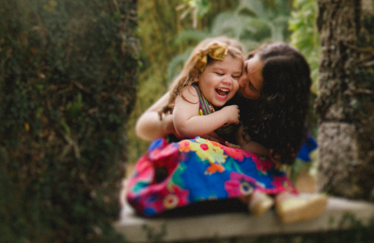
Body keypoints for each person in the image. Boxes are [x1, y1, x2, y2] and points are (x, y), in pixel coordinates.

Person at [126, 40, 327, 222]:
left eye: (249, 84)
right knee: (196, 150)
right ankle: (250, 194)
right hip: (186, 165)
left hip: (224, 171)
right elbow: (143, 125)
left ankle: (284, 199)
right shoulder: (214, 73)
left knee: (256, 161)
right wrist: (186, 123)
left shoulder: (267, 115)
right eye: (246, 69)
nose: (238, 81)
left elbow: (254, 150)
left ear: (268, 98)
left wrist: (255, 150)